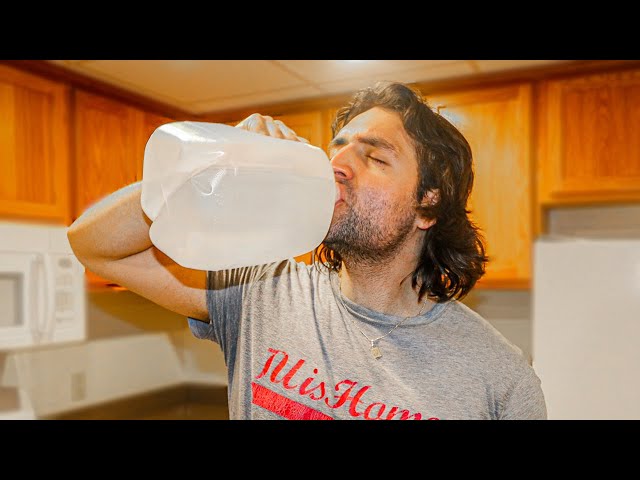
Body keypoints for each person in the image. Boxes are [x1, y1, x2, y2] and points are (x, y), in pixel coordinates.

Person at [68, 81, 547, 420]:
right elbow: (93, 246)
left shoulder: (500, 379)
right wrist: (206, 164)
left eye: (375, 157)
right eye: (336, 150)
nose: (336, 165)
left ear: (428, 206)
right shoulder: (260, 289)